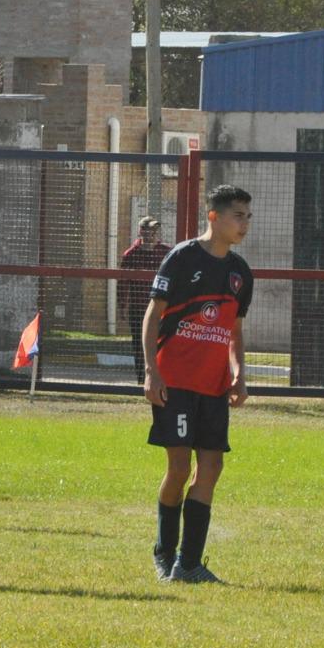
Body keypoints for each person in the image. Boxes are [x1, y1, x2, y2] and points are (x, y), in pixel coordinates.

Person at [143, 186, 253, 584]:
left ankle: (188, 564)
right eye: (237, 216)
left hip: (214, 387)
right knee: (179, 466)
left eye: (247, 217)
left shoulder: (240, 273)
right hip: (176, 381)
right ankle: (164, 552)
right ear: (213, 217)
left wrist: (239, 372)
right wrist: (152, 372)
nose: (244, 224)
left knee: (212, 465)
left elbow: (234, 330)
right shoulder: (182, 258)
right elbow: (153, 316)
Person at [118, 216, 171, 383]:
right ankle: (142, 379)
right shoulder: (131, 254)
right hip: (139, 308)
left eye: (155, 230)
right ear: (141, 231)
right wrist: (122, 306)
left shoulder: (165, 252)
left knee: (162, 343)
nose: (152, 233)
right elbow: (123, 282)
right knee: (140, 345)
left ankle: (162, 377)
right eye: (148, 230)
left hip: (162, 307)